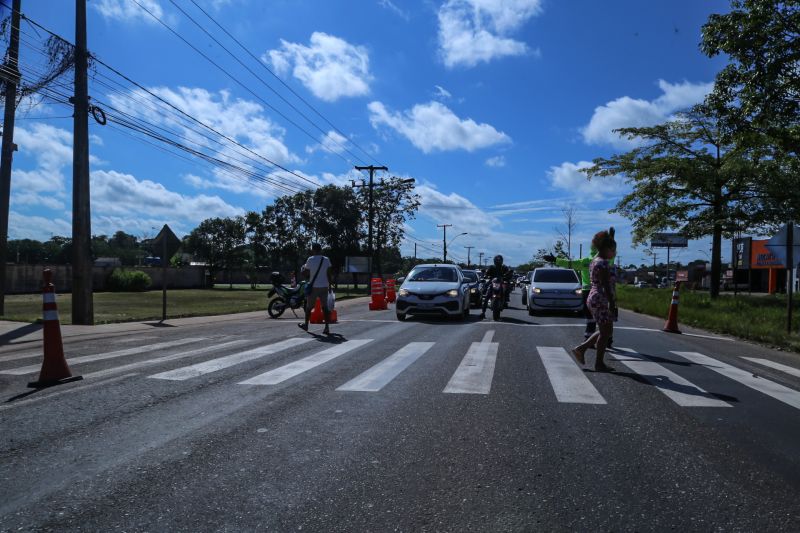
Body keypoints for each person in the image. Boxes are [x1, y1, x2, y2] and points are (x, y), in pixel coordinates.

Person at [571, 228, 617, 372]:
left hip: (594, 296)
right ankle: (598, 362)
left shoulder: (595, 259)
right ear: (606, 249)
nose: (614, 253)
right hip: (601, 298)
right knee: (605, 332)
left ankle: (582, 348)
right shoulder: (602, 263)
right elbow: (606, 286)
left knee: (605, 330)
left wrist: (610, 237)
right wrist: (612, 303)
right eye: (613, 250)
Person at [299, 242, 334, 335]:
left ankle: (306, 325)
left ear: (313, 250)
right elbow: (329, 274)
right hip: (324, 287)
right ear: (320, 249)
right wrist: (330, 286)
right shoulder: (326, 259)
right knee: (325, 308)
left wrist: (302, 269)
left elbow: (305, 273)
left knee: (309, 307)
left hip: (314, 287)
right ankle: (327, 327)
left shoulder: (310, 259)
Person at [480, 254, 513, 319]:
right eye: (497, 260)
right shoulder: (492, 267)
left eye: (499, 260)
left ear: (501, 261)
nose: (498, 262)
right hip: (493, 282)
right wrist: (485, 275)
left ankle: (506, 299)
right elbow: (487, 273)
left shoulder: (504, 267)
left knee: (507, 287)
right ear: (494, 260)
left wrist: (508, 275)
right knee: (486, 294)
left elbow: (508, 273)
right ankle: (483, 312)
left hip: (501, 282)